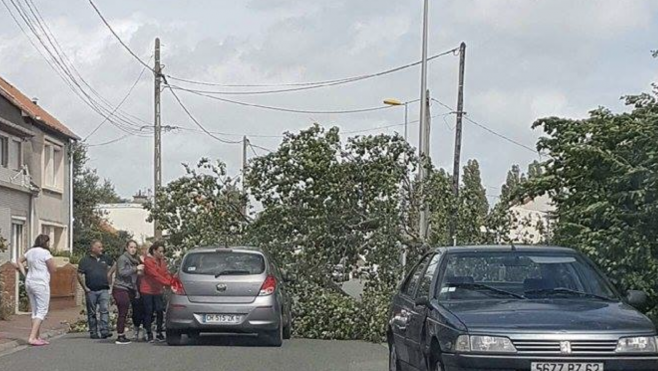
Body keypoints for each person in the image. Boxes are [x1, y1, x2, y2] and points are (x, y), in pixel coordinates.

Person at [13, 234, 57, 346]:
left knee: (35, 310)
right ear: (46, 243)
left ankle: (37, 336)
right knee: (42, 310)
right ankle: (32, 337)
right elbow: (53, 269)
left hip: (29, 281)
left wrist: (24, 273)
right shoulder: (45, 253)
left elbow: (18, 261)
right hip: (40, 283)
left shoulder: (30, 251)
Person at [110, 240, 144, 345]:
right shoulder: (123, 259)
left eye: (135, 247)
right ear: (126, 248)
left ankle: (122, 334)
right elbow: (122, 272)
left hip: (129, 288)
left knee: (127, 311)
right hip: (120, 288)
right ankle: (120, 335)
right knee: (122, 311)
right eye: (131, 247)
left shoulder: (134, 260)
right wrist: (135, 268)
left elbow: (134, 277)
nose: (133, 249)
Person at [77, 240, 114, 339]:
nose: (101, 249)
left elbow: (115, 264)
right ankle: (93, 331)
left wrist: (109, 273)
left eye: (102, 247)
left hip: (104, 289)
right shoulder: (85, 260)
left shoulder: (105, 258)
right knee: (92, 312)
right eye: (99, 247)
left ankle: (104, 330)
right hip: (91, 290)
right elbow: (79, 274)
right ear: (93, 248)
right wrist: (85, 288)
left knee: (105, 310)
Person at [140, 241, 173, 343]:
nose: (162, 254)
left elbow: (165, 273)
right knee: (148, 311)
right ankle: (148, 332)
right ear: (154, 251)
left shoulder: (162, 262)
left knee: (159, 310)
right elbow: (155, 275)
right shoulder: (148, 261)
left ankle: (159, 332)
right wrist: (168, 283)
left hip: (157, 290)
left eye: (163, 252)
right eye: (160, 251)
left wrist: (171, 281)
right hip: (147, 290)